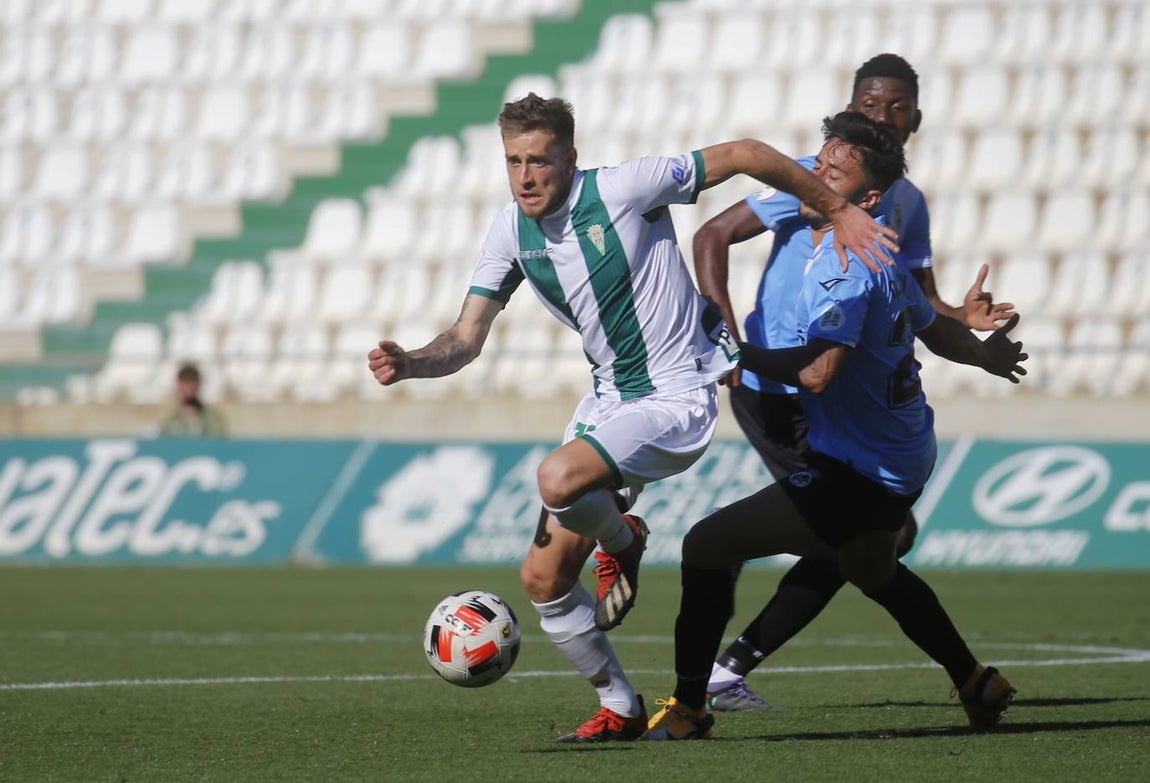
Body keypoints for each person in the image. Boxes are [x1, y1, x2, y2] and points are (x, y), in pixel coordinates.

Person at [367, 93, 899, 743]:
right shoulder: (510, 230)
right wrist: (413, 362)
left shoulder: (624, 188)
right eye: (513, 161)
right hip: (609, 405)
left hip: (675, 397)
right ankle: (619, 705)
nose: (526, 176)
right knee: (543, 579)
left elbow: (746, 154)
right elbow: (467, 336)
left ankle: (623, 537)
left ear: (570, 157)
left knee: (557, 478)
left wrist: (840, 209)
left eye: (539, 160)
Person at [645, 111, 1024, 741]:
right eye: (817, 163)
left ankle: (687, 710)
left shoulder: (848, 264)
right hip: (899, 454)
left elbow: (819, 374)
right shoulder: (875, 245)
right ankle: (977, 682)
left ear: (868, 197)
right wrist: (983, 353)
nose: (814, 177)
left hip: (862, 469)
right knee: (871, 570)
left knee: (707, 545)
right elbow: (931, 325)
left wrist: (735, 355)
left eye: (833, 172)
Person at [159, 362, 227, 437]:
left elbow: (218, 441)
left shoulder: (212, 418)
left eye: (191, 383)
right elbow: (164, 443)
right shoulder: (171, 420)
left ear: (198, 385)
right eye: (185, 383)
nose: (188, 388)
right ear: (179, 386)